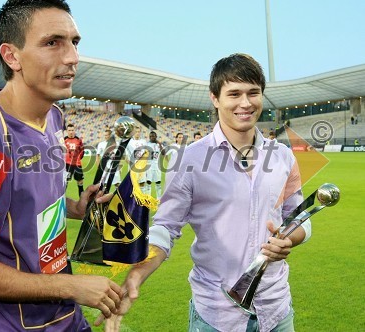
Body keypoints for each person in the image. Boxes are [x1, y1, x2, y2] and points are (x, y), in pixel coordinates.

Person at [0, 1, 123, 331]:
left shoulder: (54, 119)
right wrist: (71, 287)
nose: (72, 57)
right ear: (12, 56)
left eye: (74, 42)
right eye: (52, 42)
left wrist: (75, 207)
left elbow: (24, 202)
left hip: (65, 319)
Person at [100, 53, 312, 332]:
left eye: (253, 93)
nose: (245, 103)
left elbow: (300, 217)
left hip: (276, 309)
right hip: (216, 313)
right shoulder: (189, 159)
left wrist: (290, 239)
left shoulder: (283, 156)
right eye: (234, 93)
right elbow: (166, 228)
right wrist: (137, 274)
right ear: (215, 98)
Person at [64, 123, 85, 196]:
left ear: (74, 130)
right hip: (67, 165)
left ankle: (82, 201)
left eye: (72, 130)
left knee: (80, 182)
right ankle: (62, 201)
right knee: (65, 183)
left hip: (77, 165)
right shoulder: (64, 140)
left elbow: (82, 152)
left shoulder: (78, 140)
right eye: (69, 130)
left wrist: (77, 159)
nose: (71, 132)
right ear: (67, 131)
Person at [125, 125, 147, 191]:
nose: (137, 133)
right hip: (133, 165)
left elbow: (146, 153)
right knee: (132, 183)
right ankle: (132, 200)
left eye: (139, 132)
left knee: (142, 183)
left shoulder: (144, 141)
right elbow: (126, 156)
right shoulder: (129, 142)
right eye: (136, 132)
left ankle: (141, 199)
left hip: (142, 165)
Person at [145, 131, 164, 199]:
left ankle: (159, 198)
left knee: (158, 182)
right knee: (148, 182)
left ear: (156, 137)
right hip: (149, 166)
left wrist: (160, 144)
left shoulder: (159, 144)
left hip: (157, 166)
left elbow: (163, 153)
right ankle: (148, 198)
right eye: (150, 136)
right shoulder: (147, 144)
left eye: (153, 136)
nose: (152, 137)